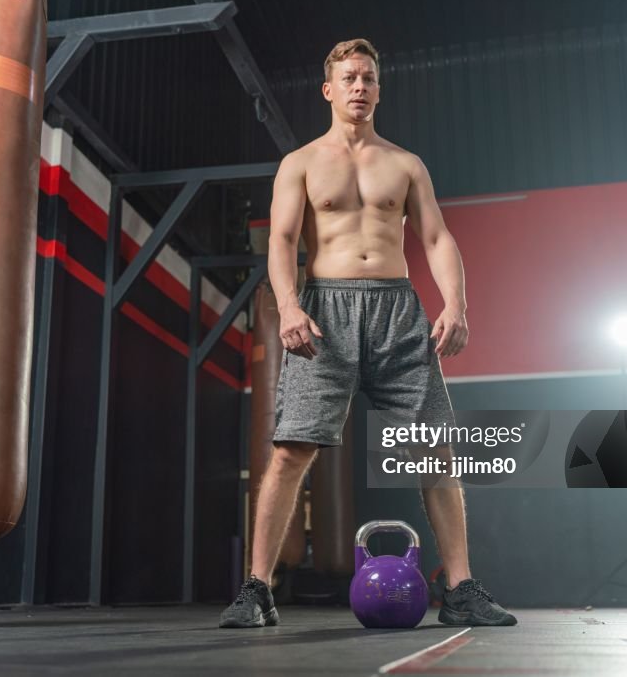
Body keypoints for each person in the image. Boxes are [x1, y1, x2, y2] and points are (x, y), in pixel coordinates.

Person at [219, 39, 516, 629]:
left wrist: (456, 304)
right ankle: (257, 589)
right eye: (349, 78)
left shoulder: (405, 164)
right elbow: (281, 242)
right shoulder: (300, 163)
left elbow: (435, 238)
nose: (360, 87)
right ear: (328, 90)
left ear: (379, 90)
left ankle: (460, 590)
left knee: (435, 449)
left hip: (396, 314)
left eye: (370, 79)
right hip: (323, 311)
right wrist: (288, 307)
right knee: (290, 452)